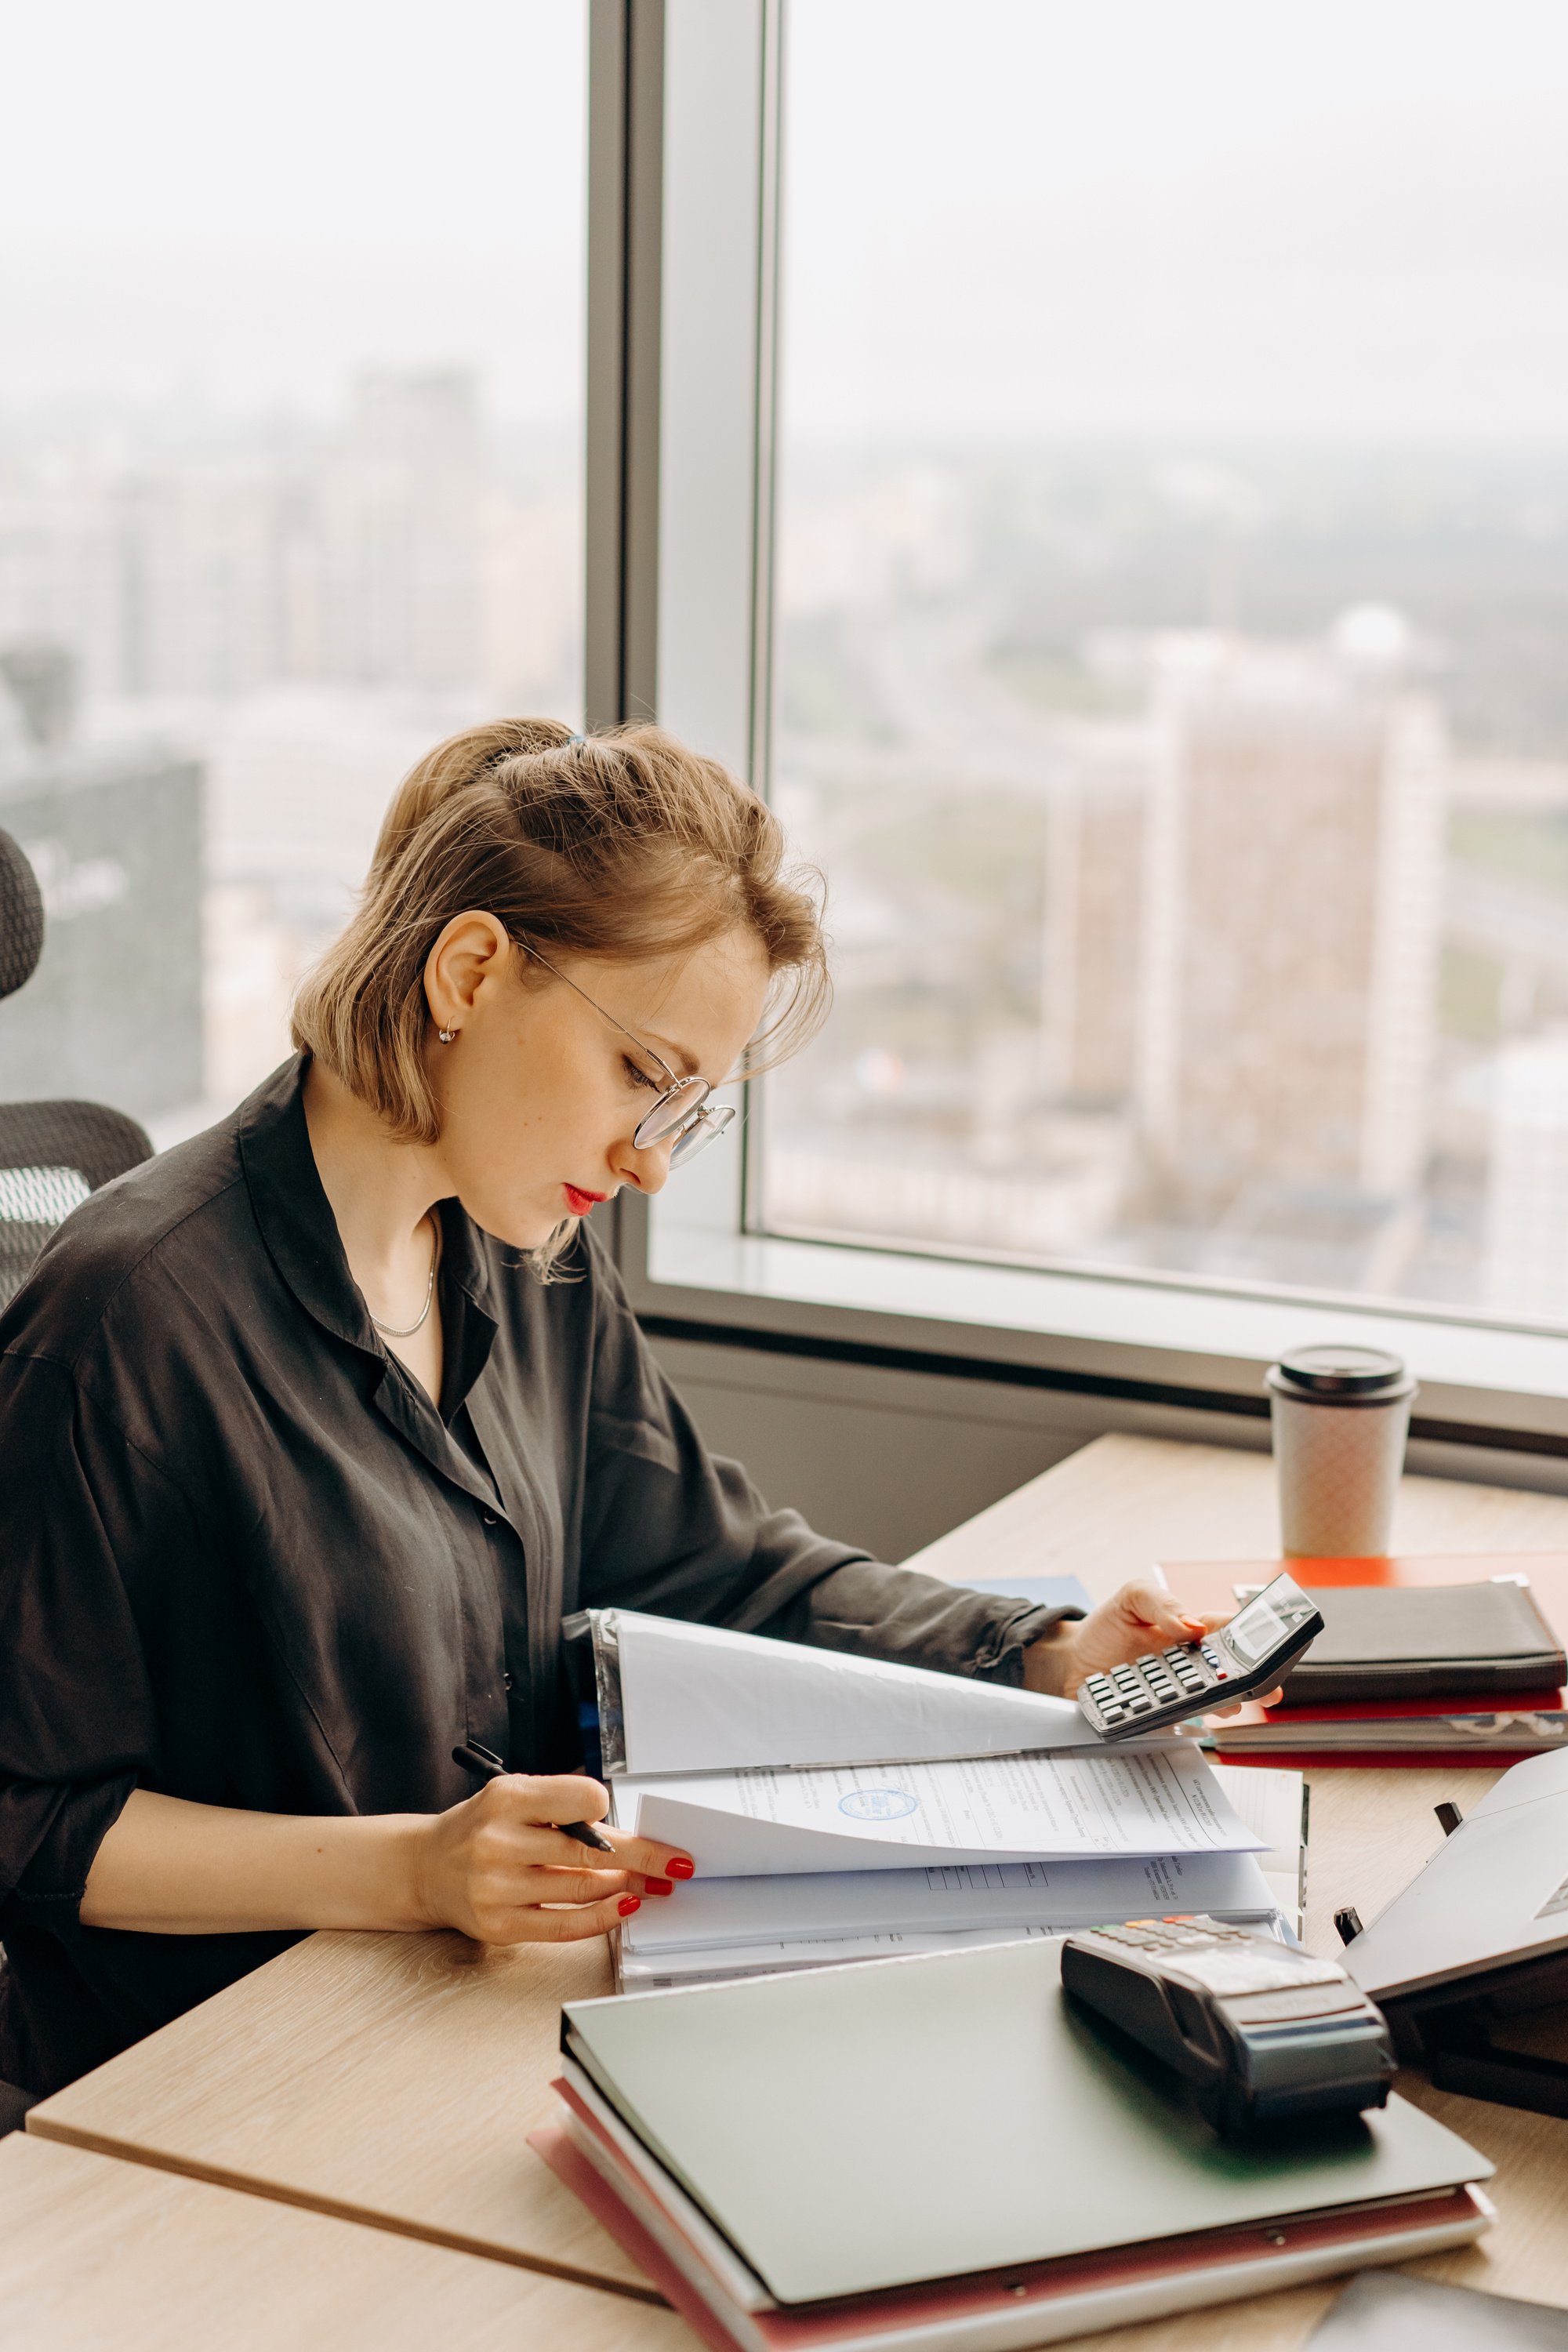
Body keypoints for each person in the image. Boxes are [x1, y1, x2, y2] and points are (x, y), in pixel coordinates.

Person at [0, 719, 1225, 2098]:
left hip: (478, 2014)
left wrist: (1041, 1657)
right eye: (645, 1075)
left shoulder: (523, 1254)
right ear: (469, 970)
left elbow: (714, 1563)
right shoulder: (126, 1321)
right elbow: (29, 1821)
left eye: (687, 1109)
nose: (648, 1163)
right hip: (221, 2077)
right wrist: (414, 1868)